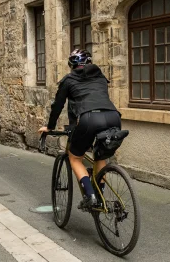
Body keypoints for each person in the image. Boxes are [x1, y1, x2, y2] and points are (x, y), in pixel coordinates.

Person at [38, 49, 120, 209]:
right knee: (100, 156)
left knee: (75, 158)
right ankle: (100, 197)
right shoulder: (101, 78)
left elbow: (58, 106)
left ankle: (90, 196)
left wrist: (50, 127)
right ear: (89, 63)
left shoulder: (68, 80)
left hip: (88, 119)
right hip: (113, 116)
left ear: (71, 65)